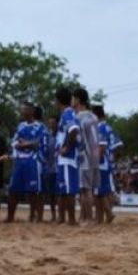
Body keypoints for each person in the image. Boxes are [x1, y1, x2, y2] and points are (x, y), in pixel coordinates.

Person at [7, 102, 45, 222]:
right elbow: (15, 141)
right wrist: (26, 143)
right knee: (13, 189)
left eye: (25, 109)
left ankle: (35, 216)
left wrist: (25, 143)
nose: (22, 112)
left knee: (34, 190)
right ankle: (10, 217)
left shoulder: (40, 126)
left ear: (32, 111)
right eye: (22, 109)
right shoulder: (21, 126)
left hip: (33, 160)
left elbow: (38, 143)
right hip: (19, 160)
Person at [72, 88, 101, 224]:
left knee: (85, 189)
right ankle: (84, 217)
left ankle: (88, 218)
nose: (71, 101)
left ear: (78, 100)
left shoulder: (78, 118)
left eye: (73, 98)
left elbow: (78, 138)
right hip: (94, 156)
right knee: (87, 189)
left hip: (84, 156)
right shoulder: (93, 117)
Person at [92, 103, 122, 224]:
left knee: (100, 192)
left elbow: (102, 147)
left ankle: (108, 214)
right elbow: (118, 145)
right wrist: (112, 157)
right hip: (107, 162)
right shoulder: (108, 127)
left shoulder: (100, 128)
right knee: (104, 191)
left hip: (101, 163)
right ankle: (101, 217)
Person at [54, 87, 80, 225]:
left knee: (69, 190)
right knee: (63, 189)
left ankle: (71, 220)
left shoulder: (68, 113)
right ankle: (62, 218)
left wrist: (67, 148)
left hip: (68, 158)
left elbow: (73, 130)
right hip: (63, 158)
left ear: (58, 101)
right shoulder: (66, 113)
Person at [41, 113, 59, 222]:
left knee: (60, 194)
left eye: (53, 123)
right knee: (51, 194)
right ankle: (53, 215)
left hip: (59, 168)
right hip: (50, 168)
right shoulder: (48, 137)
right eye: (50, 123)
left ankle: (61, 214)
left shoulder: (61, 136)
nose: (51, 125)